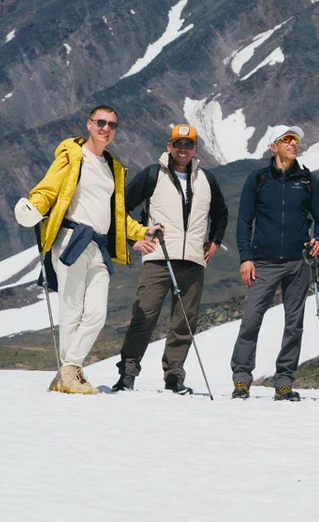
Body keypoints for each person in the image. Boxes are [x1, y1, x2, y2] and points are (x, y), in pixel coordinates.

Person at [14, 105, 157, 395]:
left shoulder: (112, 167)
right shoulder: (72, 156)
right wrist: (35, 207)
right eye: (101, 122)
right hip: (71, 238)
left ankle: (67, 371)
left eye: (112, 125)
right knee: (71, 310)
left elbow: (116, 213)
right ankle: (69, 374)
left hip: (99, 246)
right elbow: (49, 188)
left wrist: (140, 232)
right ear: (89, 124)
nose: (106, 129)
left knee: (95, 314)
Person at [112, 123, 228, 394]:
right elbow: (122, 207)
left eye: (188, 145)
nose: (183, 149)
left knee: (184, 321)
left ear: (196, 148)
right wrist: (134, 238)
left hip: (193, 261)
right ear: (169, 146)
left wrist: (215, 242)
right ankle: (128, 373)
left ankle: (174, 376)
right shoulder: (153, 174)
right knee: (145, 315)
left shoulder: (207, 179)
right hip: (158, 258)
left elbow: (221, 213)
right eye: (178, 144)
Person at [229, 125, 319, 401]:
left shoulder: (308, 180)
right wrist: (245, 258)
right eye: (286, 139)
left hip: (299, 261)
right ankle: (241, 380)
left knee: (294, 323)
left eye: (295, 139)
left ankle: (284, 381)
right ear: (273, 146)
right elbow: (244, 222)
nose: (293, 143)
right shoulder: (258, 179)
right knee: (250, 320)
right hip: (263, 262)